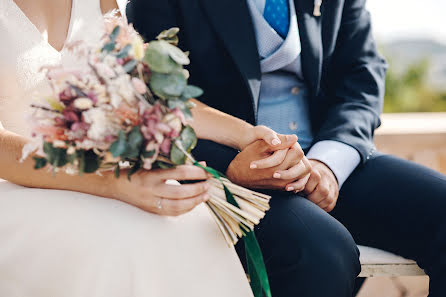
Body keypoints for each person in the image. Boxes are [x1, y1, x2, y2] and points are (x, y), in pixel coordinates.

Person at [128, 0, 446, 296]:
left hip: (325, 157)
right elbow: (151, 96)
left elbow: (361, 74)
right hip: (226, 171)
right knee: (320, 251)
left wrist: (328, 163)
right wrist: (229, 168)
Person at [0, 0, 310, 296]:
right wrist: (110, 183)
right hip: (16, 187)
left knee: (192, 226)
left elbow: (142, 92)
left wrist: (247, 135)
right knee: (126, 241)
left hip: (105, 178)